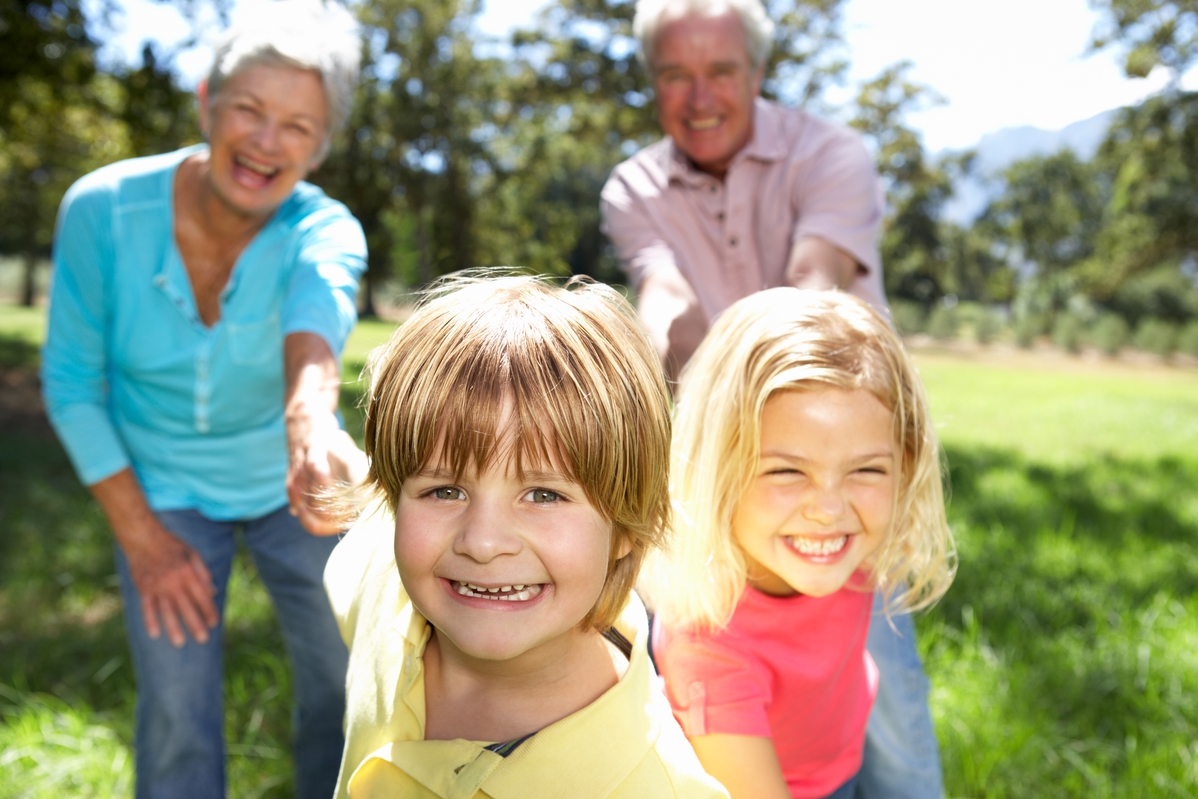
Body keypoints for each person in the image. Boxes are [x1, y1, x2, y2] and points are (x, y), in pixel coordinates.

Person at [600, 1, 943, 796]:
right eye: (674, 76)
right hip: (744, 479)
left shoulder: (834, 155)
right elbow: (661, 291)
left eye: (720, 71)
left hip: (837, 436)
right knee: (736, 681)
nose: (699, 96)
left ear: (757, 73)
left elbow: (817, 277)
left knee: (885, 703)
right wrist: (640, 366)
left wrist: (767, 365)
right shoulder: (634, 187)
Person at [40, 2, 366, 796]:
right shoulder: (103, 209)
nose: (265, 142)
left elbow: (316, 323)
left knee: (348, 685)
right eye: (248, 109)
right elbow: (73, 384)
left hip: (294, 485)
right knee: (178, 706)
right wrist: (143, 538)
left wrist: (310, 421)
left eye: (297, 126)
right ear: (205, 104)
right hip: (159, 489)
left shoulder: (326, 231)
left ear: (320, 147)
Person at [322, 274, 730, 799]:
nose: (483, 543)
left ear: (629, 527)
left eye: (542, 495)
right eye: (445, 491)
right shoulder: (386, 583)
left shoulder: (658, 787)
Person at [641, 289, 956, 799]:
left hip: (843, 766)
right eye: (787, 471)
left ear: (906, 463)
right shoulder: (708, 645)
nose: (829, 510)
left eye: (866, 470)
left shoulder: (851, 552)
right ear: (716, 469)